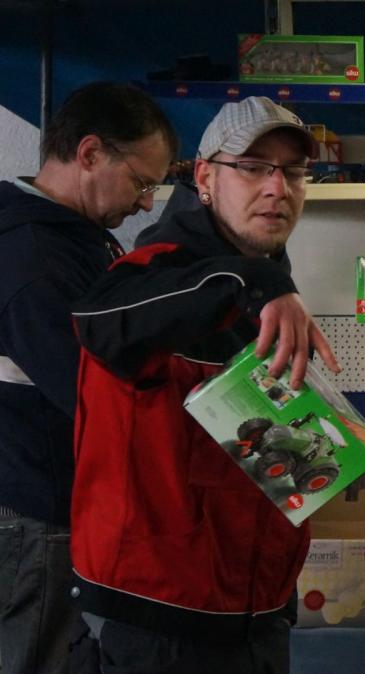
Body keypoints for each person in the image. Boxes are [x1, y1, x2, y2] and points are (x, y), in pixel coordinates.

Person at [68, 96, 335, 671]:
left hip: (259, 613)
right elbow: (95, 320)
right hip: (160, 624)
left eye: (292, 172)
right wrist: (253, 282)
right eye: (254, 168)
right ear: (206, 179)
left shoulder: (267, 293)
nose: (278, 188)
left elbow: (257, 452)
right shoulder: (154, 274)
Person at [0, 81, 176, 674]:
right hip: (35, 516)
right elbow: (97, 396)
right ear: (91, 152)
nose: (147, 204)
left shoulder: (72, 241)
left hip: (52, 510)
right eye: (142, 183)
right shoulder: (35, 261)